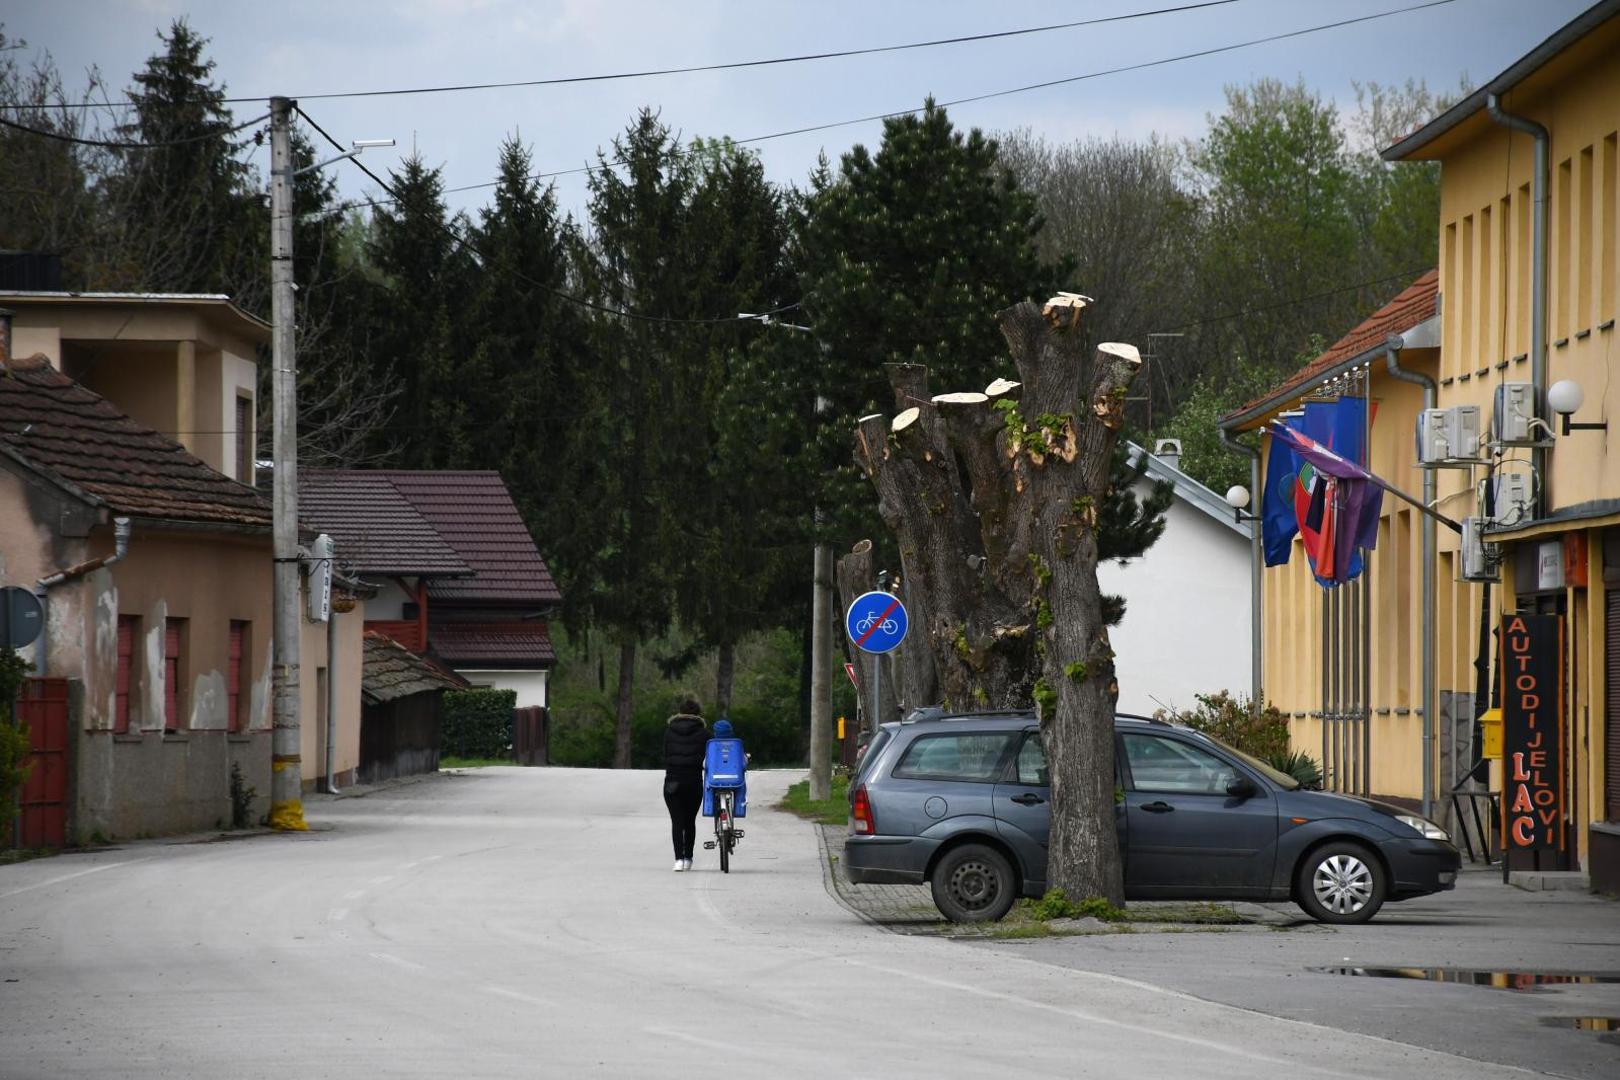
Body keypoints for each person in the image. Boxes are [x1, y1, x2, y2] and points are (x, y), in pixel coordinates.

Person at [662, 696, 708, 872]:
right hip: (693, 781)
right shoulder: (704, 734)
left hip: (673, 780)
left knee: (676, 821)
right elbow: (708, 758)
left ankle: (678, 860)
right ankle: (688, 857)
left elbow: (665, 755)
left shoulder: (669, 732)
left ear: (679, 713)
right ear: (698, 714)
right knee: (690, 821)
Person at [703, 717, 747, 820]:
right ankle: (739, 809)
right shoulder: (736, 745)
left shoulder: (712, 746)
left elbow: (705, 765)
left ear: (715, 732)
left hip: (715, 780)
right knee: (742, 786)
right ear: (731, 731)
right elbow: (744, 763)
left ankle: (709, 808)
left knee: (708, 785)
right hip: (735, 780)